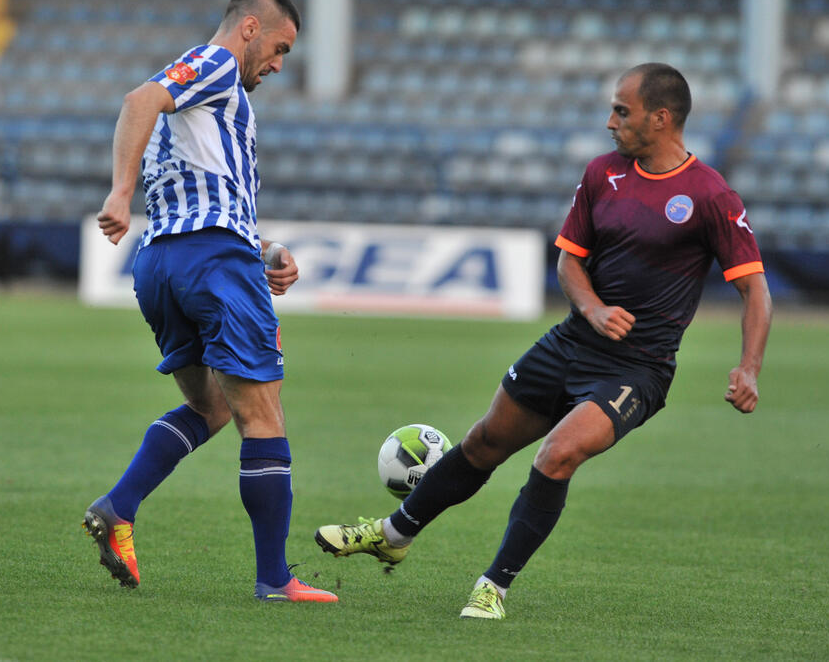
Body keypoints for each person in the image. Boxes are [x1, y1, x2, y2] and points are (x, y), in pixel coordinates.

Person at [315, 63, 771, 619]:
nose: (610, 122)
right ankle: (393, 533)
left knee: (557, 455)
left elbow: (755, 290)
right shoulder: (604, 174)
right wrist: (594, 308)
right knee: (483, 443)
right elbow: (568, 262)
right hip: (570, 342)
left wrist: (748, 367)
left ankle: (493, 586)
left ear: (662, 117)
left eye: (621, 111)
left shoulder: (710, 195)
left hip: (636, 369)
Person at [82, 0, 337, 603]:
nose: (278, 64)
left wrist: (267, 248)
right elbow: (138, 100)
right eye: (279, 48)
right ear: (250, 28)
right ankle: (275, 579)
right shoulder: (217, 64)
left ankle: (119, 507)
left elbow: (213, 194)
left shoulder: (217, 102)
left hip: (161, 264)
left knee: (213, 409)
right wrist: (120, 193)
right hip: (212, 264)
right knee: (263, 416)